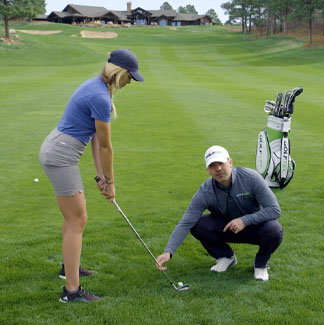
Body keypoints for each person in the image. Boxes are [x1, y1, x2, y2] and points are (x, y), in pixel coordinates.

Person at [39, 49, 144, 302]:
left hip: (58, 150)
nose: (130, 82)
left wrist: (101, 176)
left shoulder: (97, 87)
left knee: (72, 219)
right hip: (60, 156)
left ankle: (69, 269)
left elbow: (96, 138)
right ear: (119, 73)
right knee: (78, 220)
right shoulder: (100, 96)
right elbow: (107, 147)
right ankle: (72, 292)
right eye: (130, 76)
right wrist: (112, 183)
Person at [156, 145, 283, 281]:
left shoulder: (251, 178)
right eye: (213, 166)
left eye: (221, 163)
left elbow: (274, 209)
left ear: (230, 162)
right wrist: (168, 251)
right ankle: (226, 257)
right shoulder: (205, 191)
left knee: (275, 230)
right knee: (197, 224)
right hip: (226, 227)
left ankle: (260, 264)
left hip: (255, 227)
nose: (218, 169)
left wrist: (244, 220)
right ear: (208, 171)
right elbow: (186, 221)